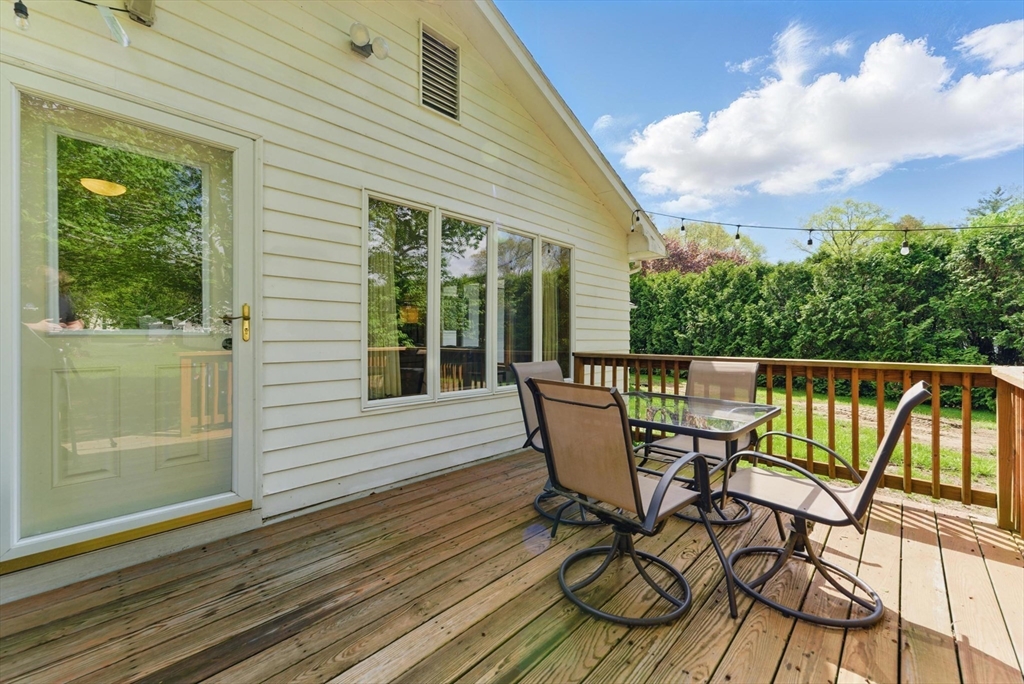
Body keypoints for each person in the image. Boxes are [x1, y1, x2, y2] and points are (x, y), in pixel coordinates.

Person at [24, 267, 84, 332]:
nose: (53, 283)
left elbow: (73, 322)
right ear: (32, 280)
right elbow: (15, 326)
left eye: (55, 280)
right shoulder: (18, 297)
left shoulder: (62, 300)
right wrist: (36, 326)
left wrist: (77, 326)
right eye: (47, 279)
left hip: (57, 338)